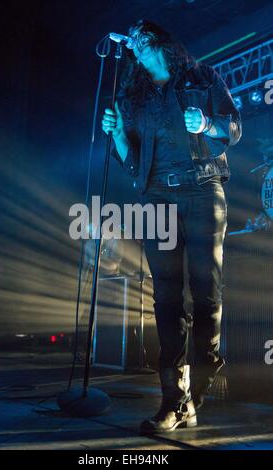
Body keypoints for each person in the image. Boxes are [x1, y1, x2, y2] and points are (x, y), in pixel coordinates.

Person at [102, 19, 241, 434]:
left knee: (206, 293)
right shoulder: (134, 96)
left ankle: (200, 382)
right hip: (157, 196)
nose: (136, 48)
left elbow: (233, 128)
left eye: (143, 40)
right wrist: (118, 137)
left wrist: (205, 125)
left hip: (202, 190)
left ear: (159, 41)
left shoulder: (203, 77)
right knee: (165, 298)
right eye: (133, 45)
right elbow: (132, 162)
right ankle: (172, 400)